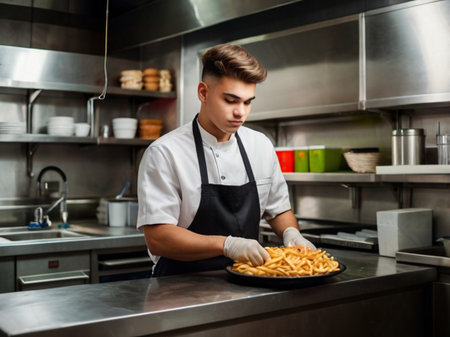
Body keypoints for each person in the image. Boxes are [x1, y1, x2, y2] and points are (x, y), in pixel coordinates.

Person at [137, 43, 315, 277]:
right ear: (203, 92)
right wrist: (227, 245)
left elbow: (278, 209)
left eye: (248, 101)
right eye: (231, 100)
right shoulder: (165, 153)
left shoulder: (260, 146)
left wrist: (292, 233)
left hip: (249, 284)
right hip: (179, 290)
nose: (241, 112)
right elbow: (158, 239)